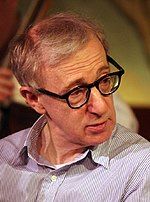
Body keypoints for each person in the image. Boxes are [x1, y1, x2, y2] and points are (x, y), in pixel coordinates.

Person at [0, 13, 149, 201]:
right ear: (34, 99)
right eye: (76, 92)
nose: (101, 107)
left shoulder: (142, 167)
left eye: (104, 80)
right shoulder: (3, 158)